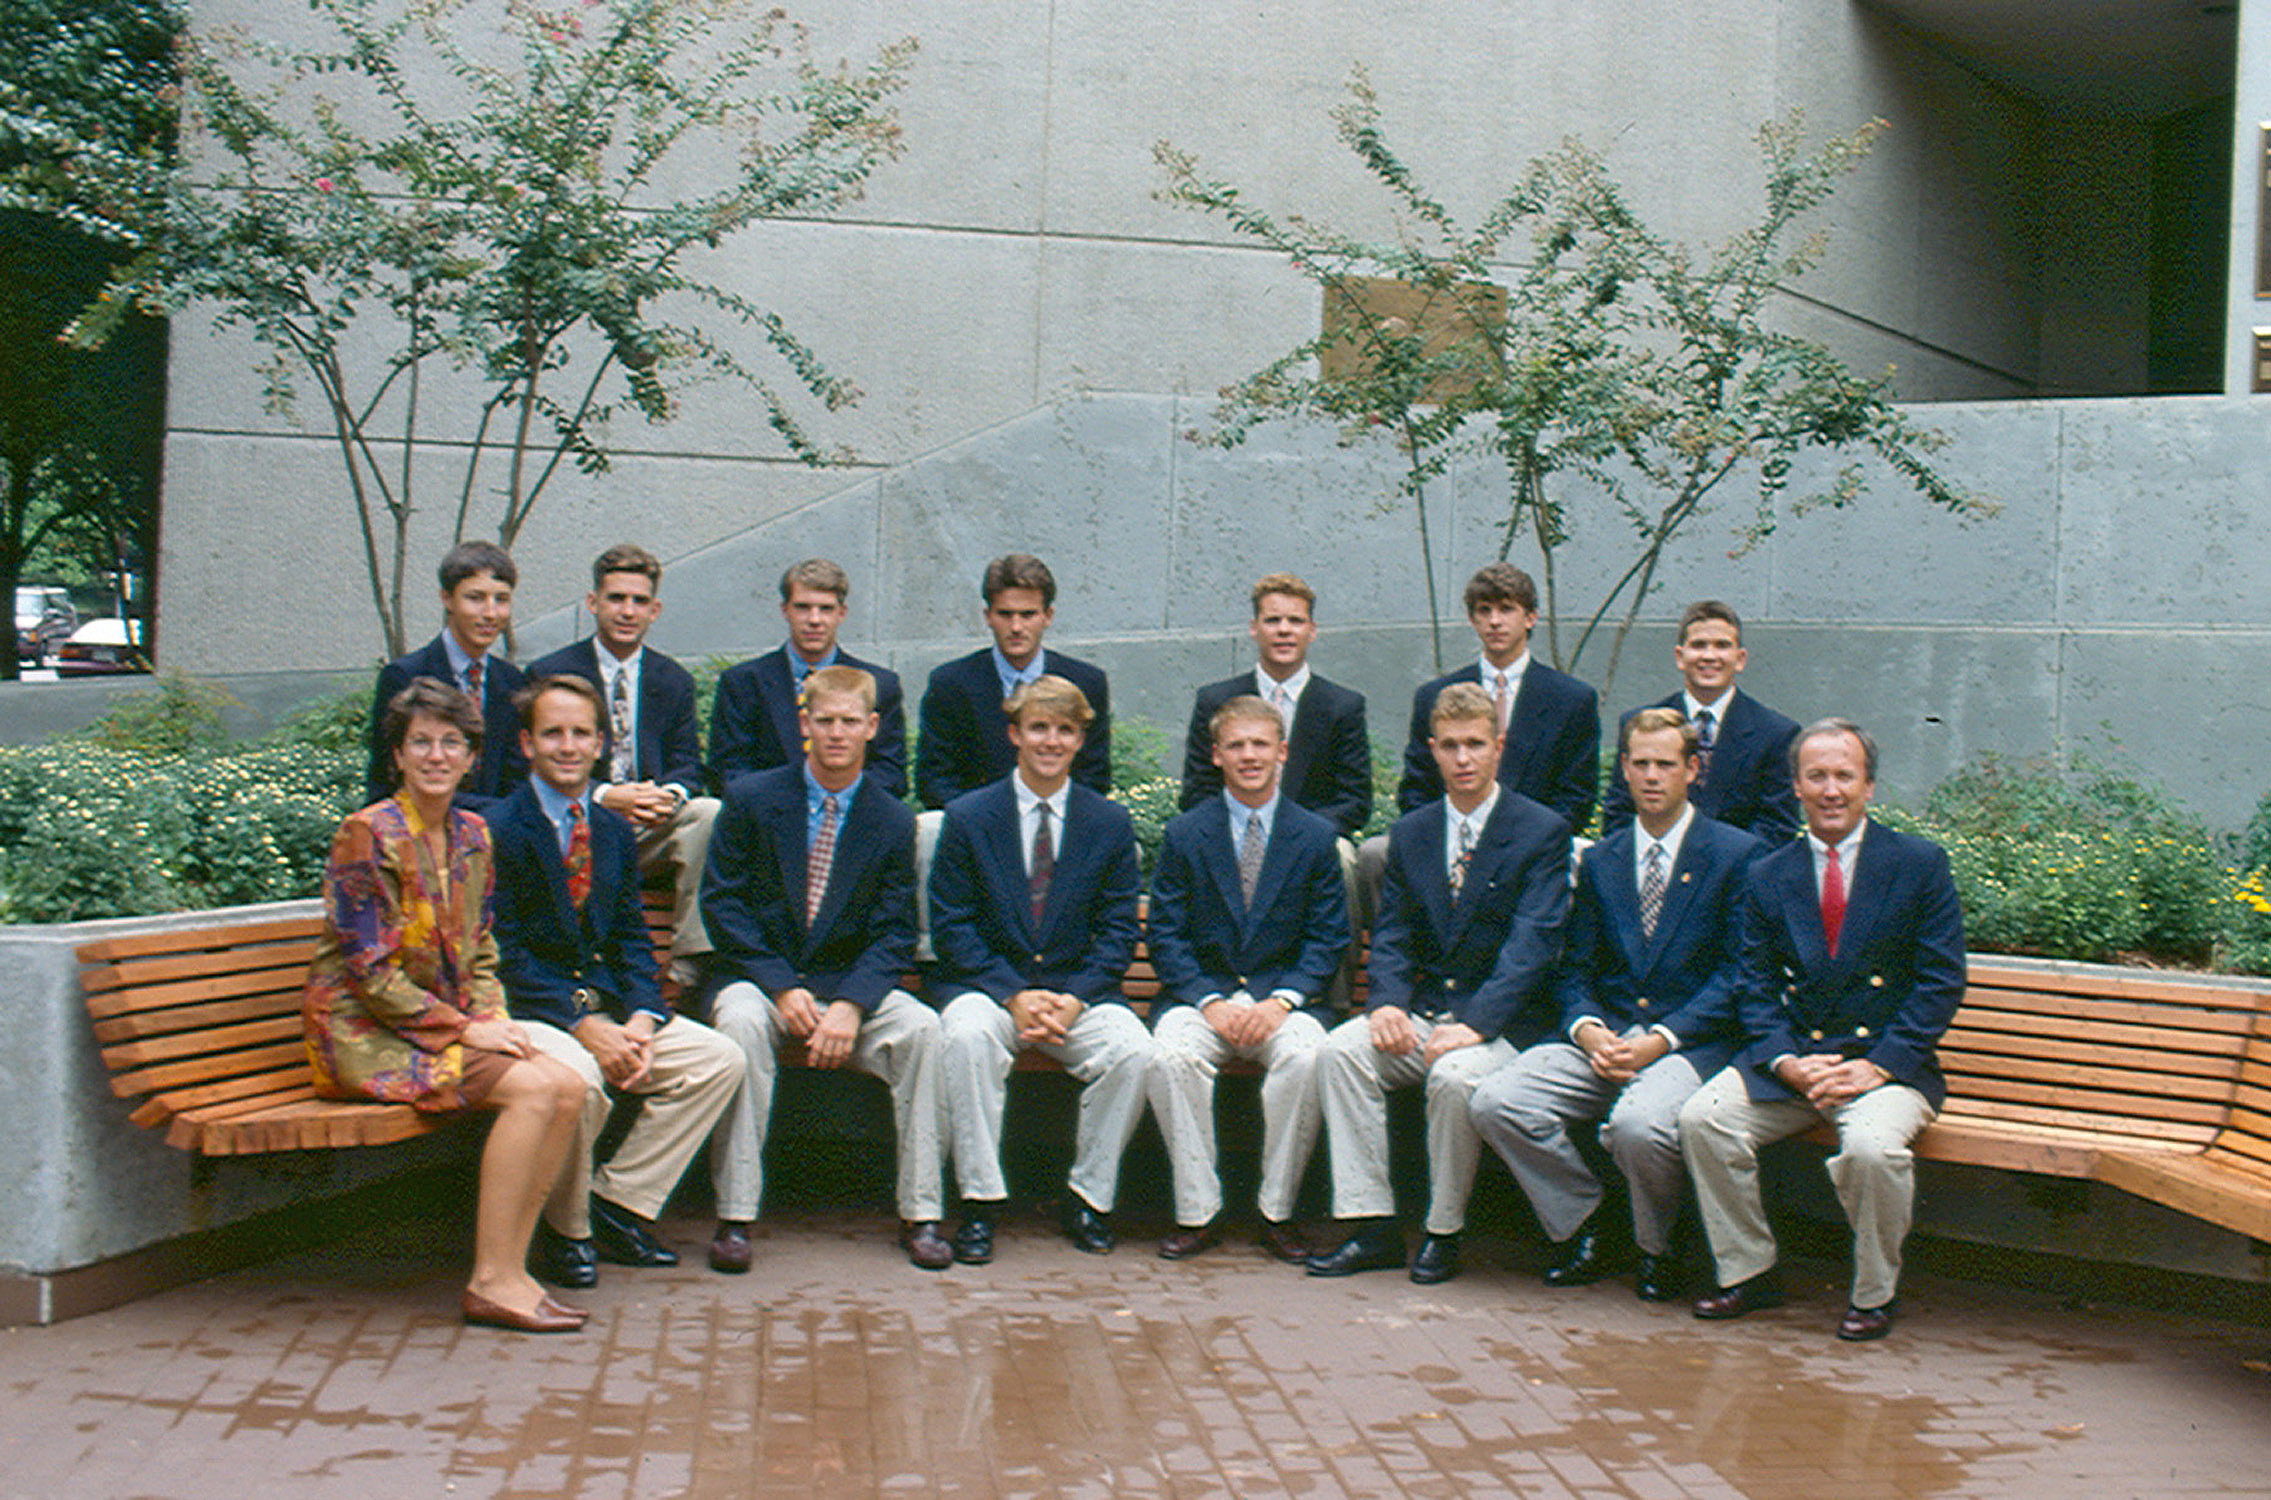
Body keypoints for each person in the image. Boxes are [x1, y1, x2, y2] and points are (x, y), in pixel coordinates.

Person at [304, 679, 590, 1333]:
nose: (436, 756)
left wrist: (490, 1019)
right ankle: (489, 1280)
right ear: (398, 755)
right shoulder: (366, 835)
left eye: (452, 743)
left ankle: (513, 1269)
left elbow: (482, 948)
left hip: (440, 1027)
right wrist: (466, 1029)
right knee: (532, 1092)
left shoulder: (473, 834)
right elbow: (370, 973)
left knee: (569, 1086)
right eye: (421, 743)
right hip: (363, 1035)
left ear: (471, 757)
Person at [1678, 718, 1965, 1342]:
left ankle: (1874, 1292)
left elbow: (1940, 982)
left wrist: (1879, 1065)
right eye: (1817, 776)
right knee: (1704, 1119)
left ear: (1869, 786)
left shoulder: (1918, 864)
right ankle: (1749, 1270)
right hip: (1798, 1063)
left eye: (1844, 775)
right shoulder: (1768, 872)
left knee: (1871, 1151)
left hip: (1883, 1066)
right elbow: (1753, 984)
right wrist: (1784, 1060)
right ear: (1797, 787)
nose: (1831, 790)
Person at [1469, 708, 1761, 1301]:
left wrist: (1662, 1039)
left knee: (1638, 1126)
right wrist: (1587, 1028)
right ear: (1624, 769)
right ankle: (1587, 1221)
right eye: (1641, 763)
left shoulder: (1736, 855)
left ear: (1692, 770)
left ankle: (1656, 1247)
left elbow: (1737, 976)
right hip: (1608, 1038)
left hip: (1688, 1043)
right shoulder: (1603, 859)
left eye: (1666, 764)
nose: (1652, 776)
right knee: (1497, 1101)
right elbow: (1575, 967)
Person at [1309, 683, 1570, 1285]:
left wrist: (1476, 1024)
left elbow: (1531, 947)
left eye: (1475, 744)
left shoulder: (1541, 831)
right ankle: (1370, 1224)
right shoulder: (1414, 832)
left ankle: (1443, 1231)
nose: (1463, 758)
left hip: (1506, 1024)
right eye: (1450, 746)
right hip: (1430, 1013)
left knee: (1454, 1078)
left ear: (1499, 746)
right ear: (1432, 750)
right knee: (1341, 1052)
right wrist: (1386, 1005)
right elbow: (1394, 932)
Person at [488, 676, 743, 1289]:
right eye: (553, 733)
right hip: (533, 1014)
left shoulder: (610, 830)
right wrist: (584, 1025)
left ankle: (618, 1205)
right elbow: (504, 953)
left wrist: (642, 1018)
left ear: (601, 743)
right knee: (580, 1080)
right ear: (526, 743)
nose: (568, 746)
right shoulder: (497, 829)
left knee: (718, 1060)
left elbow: (630, 934)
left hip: (607, 1007)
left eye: (581, 733)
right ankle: (567, 1231)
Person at [699, 665, 951, 1273]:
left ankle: (921, 1213)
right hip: (760, 978)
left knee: (923, 1031)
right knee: (739, 1026)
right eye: (825, 720)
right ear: (803, 723)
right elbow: (724, 905)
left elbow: (894, 932)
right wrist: (781, 986)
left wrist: (853, 1004)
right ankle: (735, 1215)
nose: (837, 733)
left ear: (872, 727)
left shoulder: (892, 820)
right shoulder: (752, 799)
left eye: (849, 722)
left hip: (846, 985)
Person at [930, 675, 1151, 1261]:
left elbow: (1118, 931)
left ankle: (1088, 1198)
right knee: (967, 1038)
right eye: (1039, 728)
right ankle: (979, 1202)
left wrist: (1075, 998)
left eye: (1065, 730)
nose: (1051, 741)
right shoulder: (969, 816)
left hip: (1075, 996)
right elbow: (953, 924)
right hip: (990, 989)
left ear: (1080, 740)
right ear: (1014, 734)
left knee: (1133, 1051)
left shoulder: (1108, 823)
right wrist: (1011, 994)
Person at [1147, 695, 1349, 1263]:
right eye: (1236, 745)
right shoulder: (1186, 834)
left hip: (1283, 1002)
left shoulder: (1315, 837)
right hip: (1202, 999)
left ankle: (1276, 1211)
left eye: (1261, 743)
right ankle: (1198, 1210)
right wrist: (1209, 1000)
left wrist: (1281, 1001)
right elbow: (1166, 935)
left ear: (1282, 752)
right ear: (1216, 755)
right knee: (1169, 1057)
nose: (1249, 755)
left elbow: (1327, 938)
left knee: (1306, 1057)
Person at [527, 544, 720, 981]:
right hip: (578, 820)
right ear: (593, 602)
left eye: (639, 601)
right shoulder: (551, 673)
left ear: (655, 610)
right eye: (616, 598)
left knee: (708, 812)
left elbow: (688, 764)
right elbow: (534, 765)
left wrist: (666, 797)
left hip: (648, 824)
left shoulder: (673, 679)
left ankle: (688, 964)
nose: (627, 611)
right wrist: (605, 796)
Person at [1393, 563, 1598, 831]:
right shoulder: (1433, 697)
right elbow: (1417, 789)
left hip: (1536, 843)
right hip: (1450, 838)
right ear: (1472, 619)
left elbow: (1576, 796)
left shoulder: (1571, 699)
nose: (1495, 621)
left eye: (1506, 609)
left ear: (1530, 618)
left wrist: (1528, 841)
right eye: (1484, 610)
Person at [1178, 573, 1371, 841]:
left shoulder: (1343, 706)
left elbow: (1355, 800)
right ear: (1254, 628)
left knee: (1340, 855)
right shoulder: (1215, 701)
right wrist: (1246, 829)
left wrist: (1294, 836)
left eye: (1296, 621)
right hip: (1231, 836)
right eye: (1272, 620)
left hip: (1313, 841)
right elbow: (1198, 791)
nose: (1284, 630)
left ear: (1312, 630)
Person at [916, 554, 1110, 810]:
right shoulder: (950, 684)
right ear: (988, 616)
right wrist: (985, 821)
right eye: (1005, 614)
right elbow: (934, 779)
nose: (1016, 627)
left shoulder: (1086, 682)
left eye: (1028, 615)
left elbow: (1094, 776)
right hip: (976, 824)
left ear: (1048, 616)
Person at [706, 557, 908, 799]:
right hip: (768, 812)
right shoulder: (743, 682)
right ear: (785, 610)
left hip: (851, 812)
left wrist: (833, 800)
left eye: (826, 609)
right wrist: (794, 803)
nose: (814, 620)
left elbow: (890, 774)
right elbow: (727, 771)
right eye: (803, 607)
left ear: (842, 613)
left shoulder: (878, 684)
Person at [1599, 601, 1800, 843]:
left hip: (1738, 865)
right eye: (1698, 645)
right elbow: (1619, 815)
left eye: (1722, 645)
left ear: (1740, 659)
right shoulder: (1638, 726)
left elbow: (1776, 828)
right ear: (1680, 657)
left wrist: (1716, 860)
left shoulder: (1775, 733)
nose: (1709, 656)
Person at [363, 541, 528, 808]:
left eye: (501, 599)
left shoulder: (511, 681)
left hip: (498, 828)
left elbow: (516, 775)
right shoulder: (406, 676)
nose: (490, 613)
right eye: (475, 598)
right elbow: (388, 777)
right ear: (447, 599)